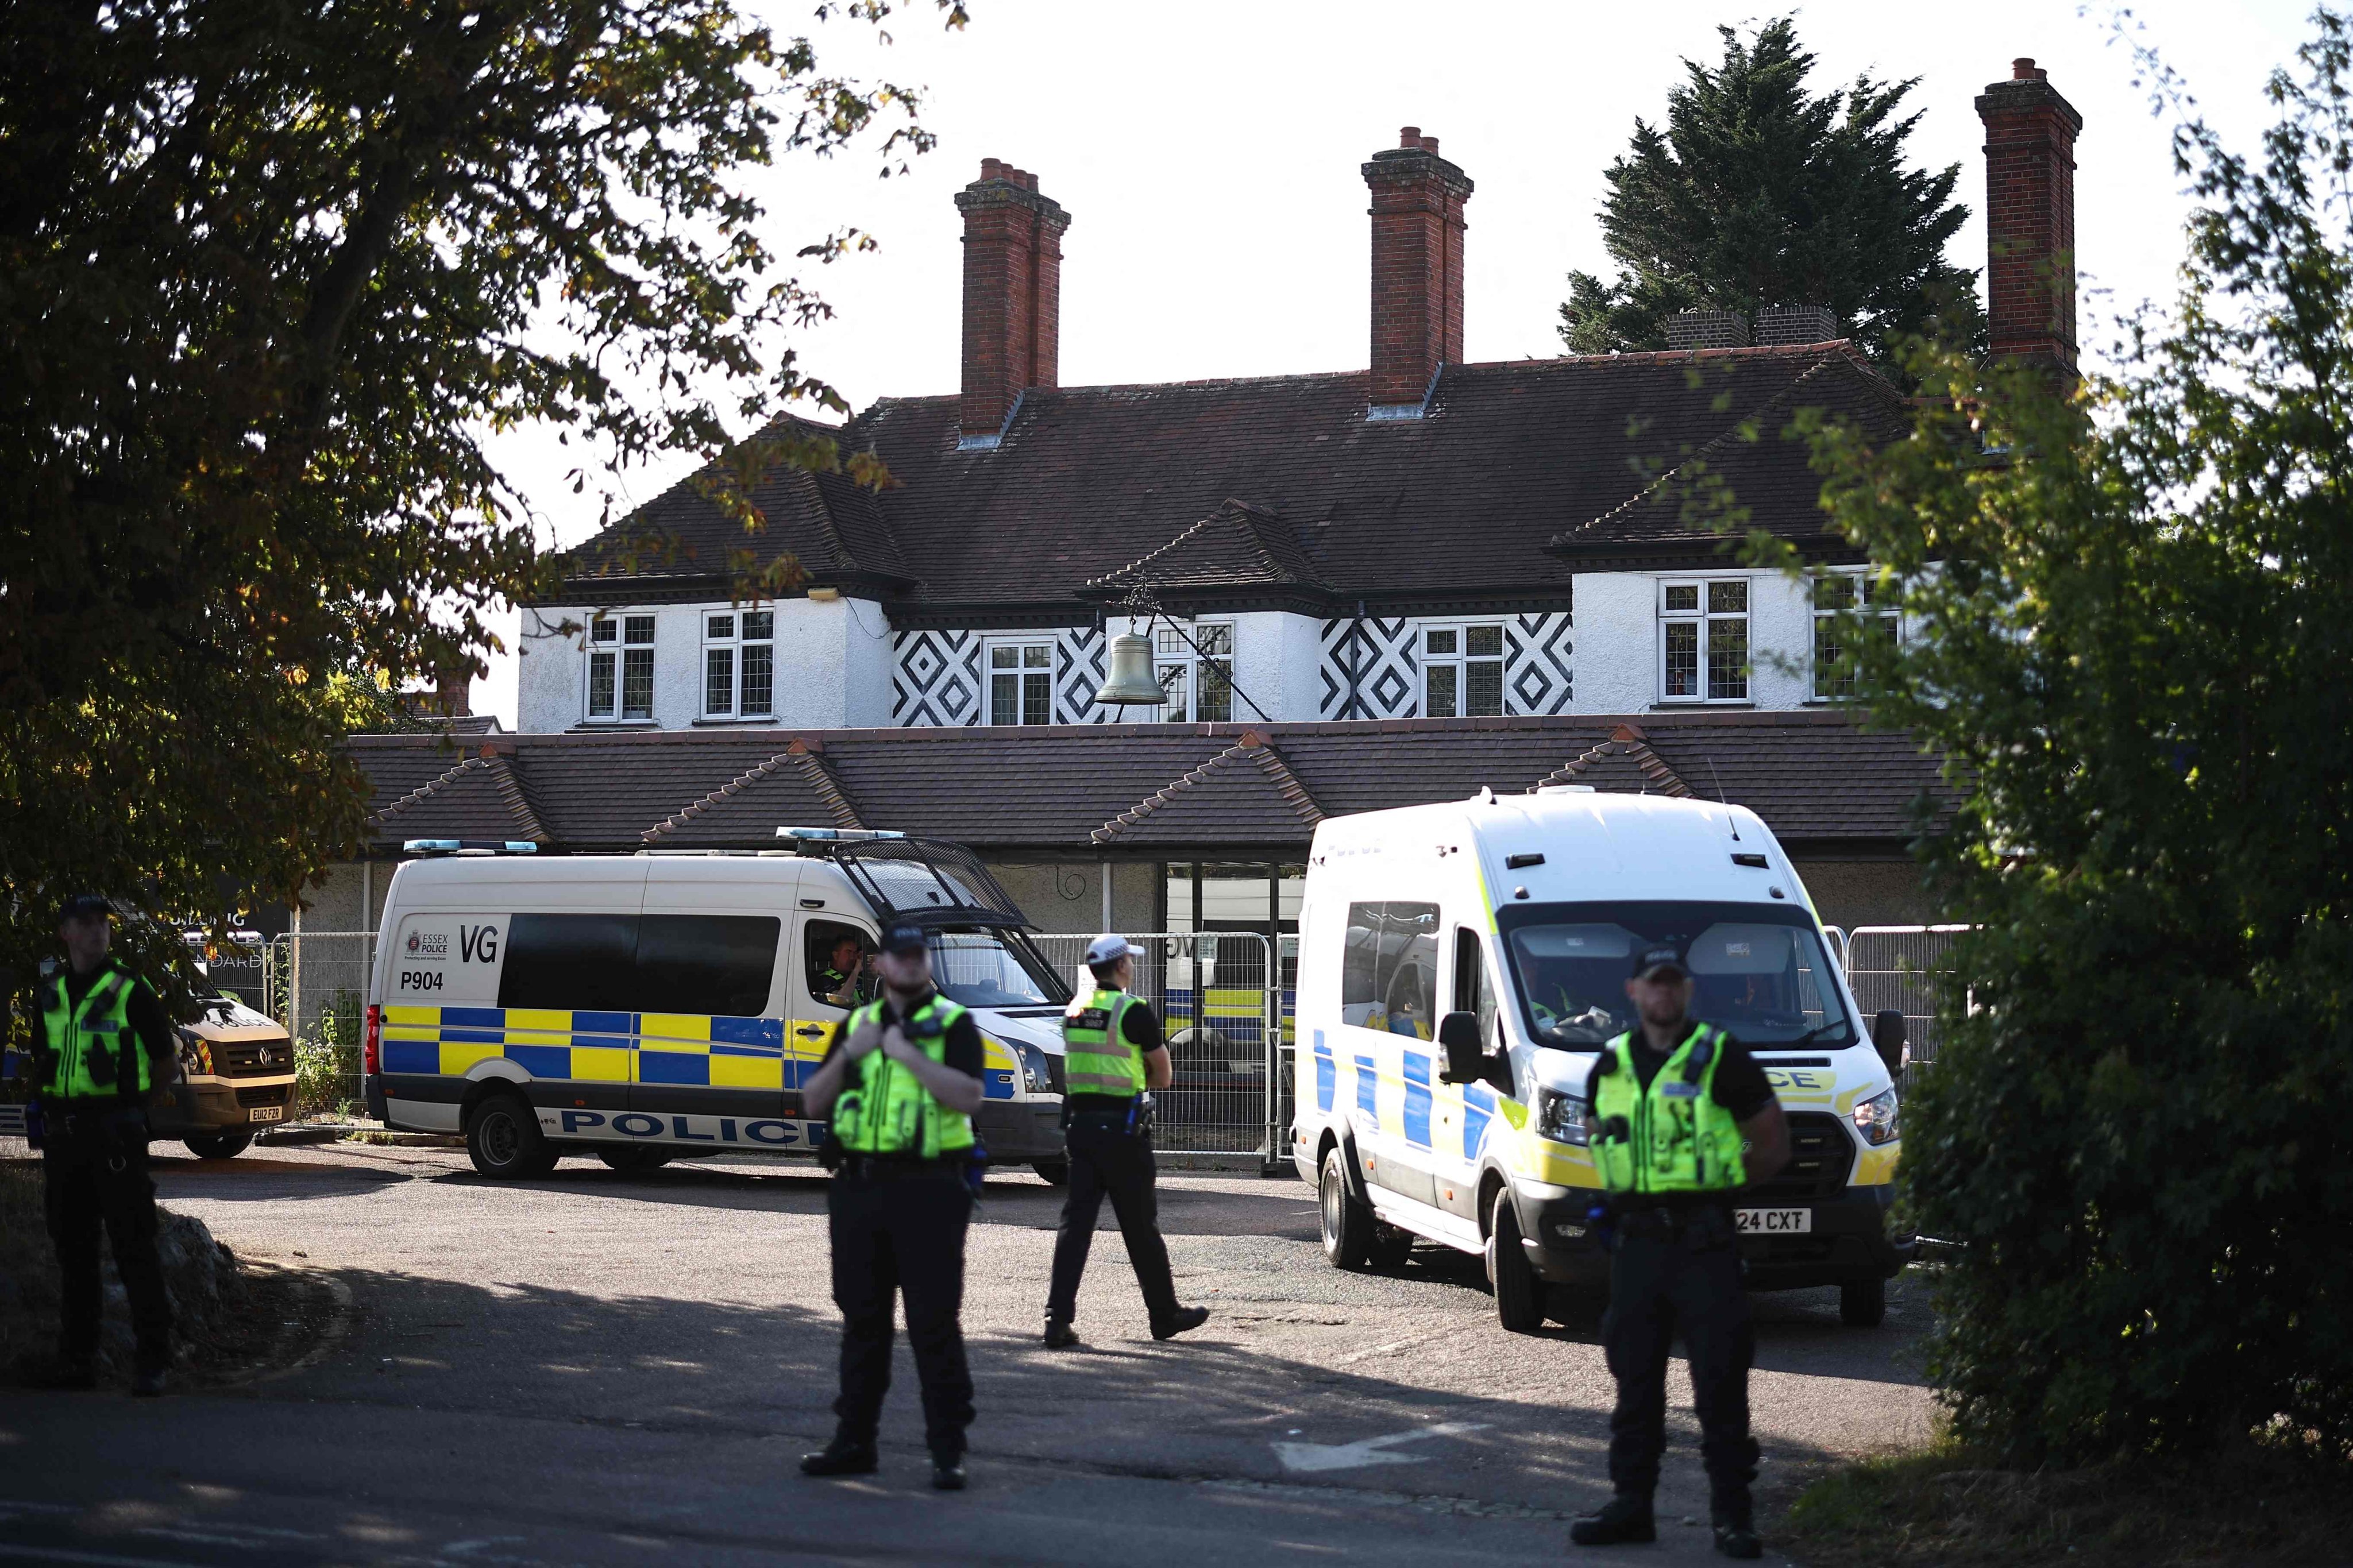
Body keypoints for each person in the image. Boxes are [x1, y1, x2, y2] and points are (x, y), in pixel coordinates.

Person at [1570, 943, 1791, 1561]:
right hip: (1637, 1246)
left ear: (1687, 991)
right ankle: (1631, 1507)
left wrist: (1716, 1195)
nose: (1663, 993)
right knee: (1634, 1385)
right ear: (1633, 992)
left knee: (1720, 1384)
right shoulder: (1608, 1064)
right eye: (1652, 983)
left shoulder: (1720, 1056)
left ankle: (1732, 1519)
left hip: (1704, 1244)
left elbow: (1772, 1146)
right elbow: (1602, 1141)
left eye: (1673, 983)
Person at [797, 921, 987, 1490]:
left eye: (917, 957)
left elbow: (970, 1097)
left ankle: (947, 1449)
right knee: (862, 1322)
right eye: (898, 957)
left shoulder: (954, 1024)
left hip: (930, 1190)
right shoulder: (856, 1025)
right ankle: (854, 1441)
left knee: (933, 1324)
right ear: (879, 967)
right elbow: (812, 1102)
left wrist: (906, 1055)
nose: (909, 965)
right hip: (860, 1188)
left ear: (926, 964)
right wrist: (848, 1055)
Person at [26, 896, 180, 1395]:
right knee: (74, 1251)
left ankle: (153, 1362)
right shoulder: (49, 993)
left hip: (115, 1137)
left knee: (134, 1246)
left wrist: (135, 1110)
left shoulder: (130, 990)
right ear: (66, 933)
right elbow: (42, 1062)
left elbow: (166, 1063)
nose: (97, 932)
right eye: (86, 924)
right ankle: (78, 1361)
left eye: (103, 924)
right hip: (65, 1140)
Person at [1041, 934, 1208, 1349]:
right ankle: (1164, 1315)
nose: (1132, 967)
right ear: (1119, 967)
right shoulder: (1133, 1011)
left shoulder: (1075, 1011)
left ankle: (1056, 1319)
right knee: (1140, 1228)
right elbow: (1164, 1076)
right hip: (1122, 1134)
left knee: (1075, 1227)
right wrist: (1136, 1082)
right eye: (1129, 962)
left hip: (1080, 1132)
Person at [816, 932, 874, 1009]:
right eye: (848, 952)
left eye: (855, 953)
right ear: (836, 955)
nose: (852, 957)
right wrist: (856, 970)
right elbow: (841, 1001)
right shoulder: (825, 979)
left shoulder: (858, 976)